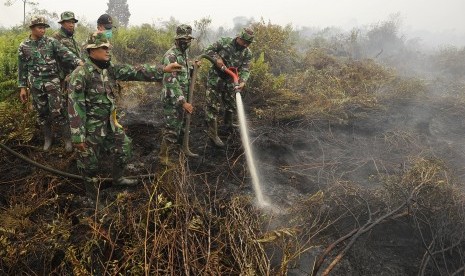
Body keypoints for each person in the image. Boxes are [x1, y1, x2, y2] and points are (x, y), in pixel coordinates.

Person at [67, 32, 182, 191]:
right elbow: (75, 106)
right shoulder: (81, 74)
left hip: (109, 124)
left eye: (108, 47)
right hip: (90, 129)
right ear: (91, 50)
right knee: (89, 165)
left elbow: (134, 71)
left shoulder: (108, 69)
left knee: (124, 147)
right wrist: (77, 136)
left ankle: (118, 178)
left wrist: (164, 69)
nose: (108, 51)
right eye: (103, 48)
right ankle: (93, 200)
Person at [18, 15, 83, 152]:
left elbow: (66, 53)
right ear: (32, 28)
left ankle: (67, 140)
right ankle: (48, 139)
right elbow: (22, 68)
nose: (43, 30)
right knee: (42, 113)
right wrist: (22, 87)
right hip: (35, 84)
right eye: (39, 27)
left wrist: (79, 62)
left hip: (52, 83)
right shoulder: (24, 46)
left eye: (44, 28)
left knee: (58, 111)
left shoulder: (51, 42)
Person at [203, 27, 254, 147]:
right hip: (216, 77)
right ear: (238, 37)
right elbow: (207, 50)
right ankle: (213, 135)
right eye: (244, 41)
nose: (246, 45)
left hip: (230, 80)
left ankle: (228, 125)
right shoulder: (224, 42)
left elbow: (246, 69)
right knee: (212, 106)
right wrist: (217, 59)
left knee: (230, 104)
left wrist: (242, 81)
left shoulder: (247, 53)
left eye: (249, 43)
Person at [159, 24, 195, 166]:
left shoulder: (184, 54)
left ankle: (180, 152)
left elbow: (184, 73)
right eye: (184, 39)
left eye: (189, 39)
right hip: (172, 99)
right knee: (172, 129)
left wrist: (193, 66)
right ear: (177, 39)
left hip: (182, 97)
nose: (187, 42)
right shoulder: (171, 56)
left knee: (181, 127)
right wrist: (183, 102)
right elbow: (171, 81)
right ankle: (164, 158)